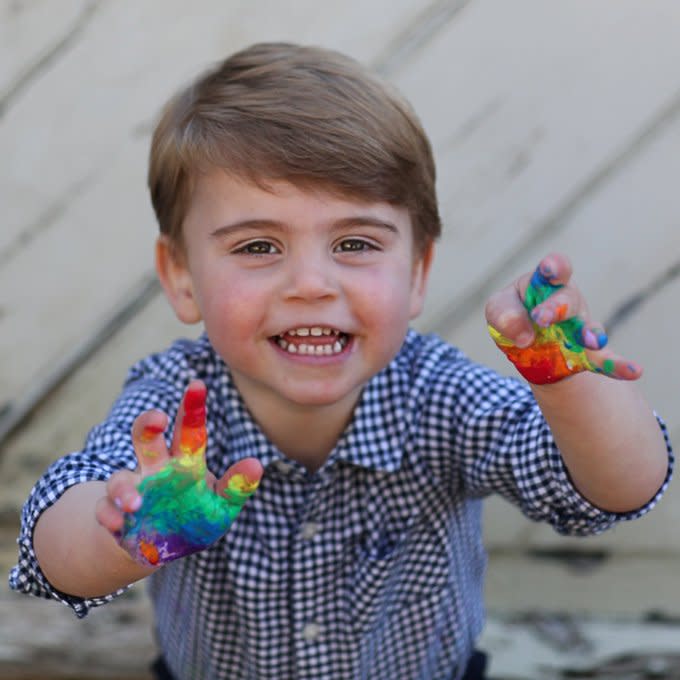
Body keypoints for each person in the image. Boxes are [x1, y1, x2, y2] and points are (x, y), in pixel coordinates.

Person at [9, 42, 672, 680]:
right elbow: (52, 544)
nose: (311, 284)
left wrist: (569, 389)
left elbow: (613, 492)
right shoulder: (175, 406)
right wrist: (124, 538)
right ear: (181, 275)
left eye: (354, 242)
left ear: (417, 273)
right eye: (258, 247)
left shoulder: (441, 395)